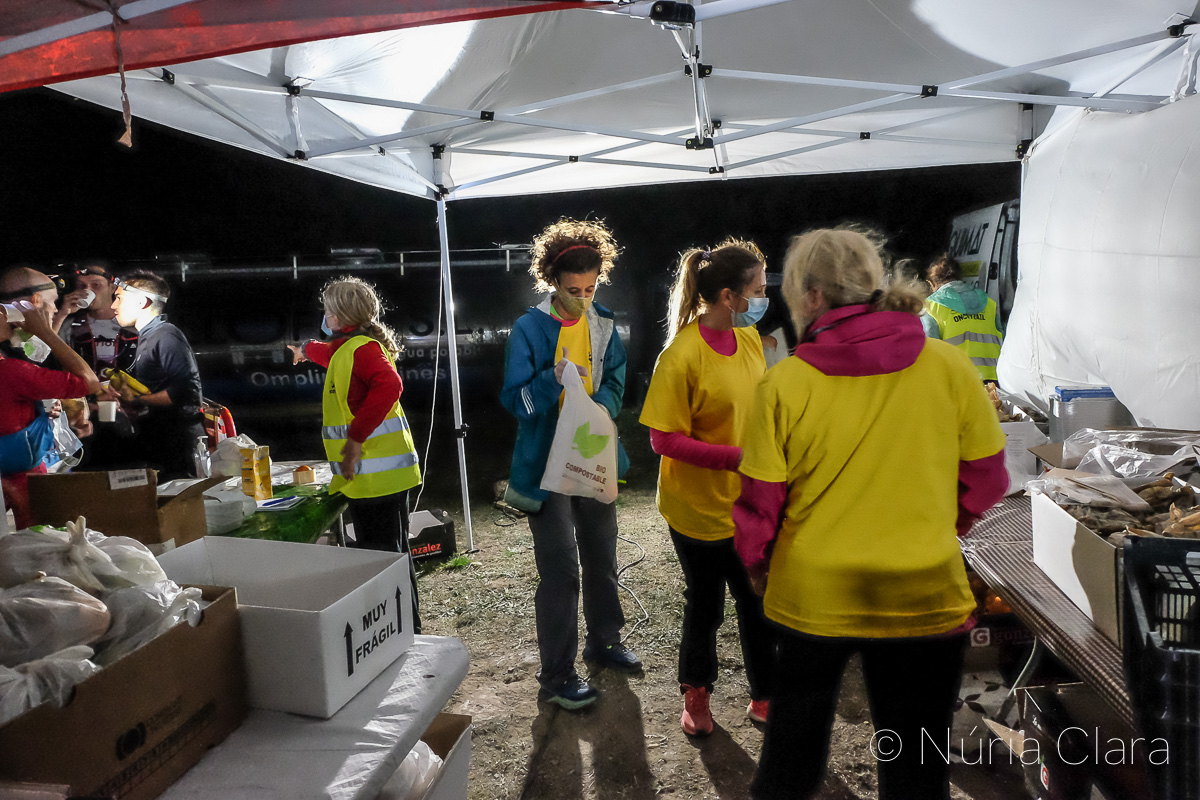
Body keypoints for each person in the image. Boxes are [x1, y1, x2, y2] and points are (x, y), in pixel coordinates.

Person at [734, 229, 1009, 800]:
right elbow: (988, 480)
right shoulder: (950, 367)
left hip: (813, 594)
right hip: (924, 589)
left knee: (789, 766)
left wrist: (757, 563)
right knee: (916, 775)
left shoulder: (785, 382)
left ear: (812, 297)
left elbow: (760, 500)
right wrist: (939, 527)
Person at [500, 218, 640, 711]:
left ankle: (605, 641)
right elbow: (515, 401)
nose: (582, 298)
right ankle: (557, 674)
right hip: (547, 466)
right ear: (552, 282)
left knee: (602, 555)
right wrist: (551, 380)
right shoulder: (528, 329)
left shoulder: (602, 323)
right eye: (572, 290)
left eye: (590, 288)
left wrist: (601, 405)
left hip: (593, 456)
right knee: (561, 570)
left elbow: (617, 377)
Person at [639, 240, 776, 736]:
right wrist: (736, 457)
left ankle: (765, 696)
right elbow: (662, 439)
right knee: (706, 606)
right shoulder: (680, 356)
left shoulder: (751, 340)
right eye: (757, 290)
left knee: (758, 604)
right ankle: (696, 694)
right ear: (727, 297)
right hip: (696, 510)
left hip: (748, 506)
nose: (764, 299)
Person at [289, 276, 423, 632]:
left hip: (378, 478)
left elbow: (390, 385)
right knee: (389, 554)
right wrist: (304, 349)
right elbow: (325, 352)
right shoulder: (347, 348)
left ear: (340, 315)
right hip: (373, 478)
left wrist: (354, 440)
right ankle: (404, 630)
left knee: (384, 558)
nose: (324, 316)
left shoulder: (362, 349)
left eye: (328, 310)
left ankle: (404, 632)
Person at [0, 298, 113, 528]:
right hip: (22, 481)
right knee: (37, 542)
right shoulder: (10, 372)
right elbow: (88, 382)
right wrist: (46, 333)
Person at [111, 270, 205, 481]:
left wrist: (136, 399)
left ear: (142, 302)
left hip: (177, 443)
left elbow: (186, 392)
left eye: (119, 298)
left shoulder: (166, 335)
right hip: (162, 440)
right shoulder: (149, 336)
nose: (113, 306)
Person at [921, 253, 1004, 382]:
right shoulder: (989, 303)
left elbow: (930, 350)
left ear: (931, 283)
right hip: (993, 380)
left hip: (958, 381)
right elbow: (1003, 337)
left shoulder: (931, 307)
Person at [63, 263, 131, 372]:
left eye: (96, 285)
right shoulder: (70, 326)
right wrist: (62, 313)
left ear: (112, 288)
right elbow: (40, 353)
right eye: (81, 285)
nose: (87, 291)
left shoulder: (132, 323)